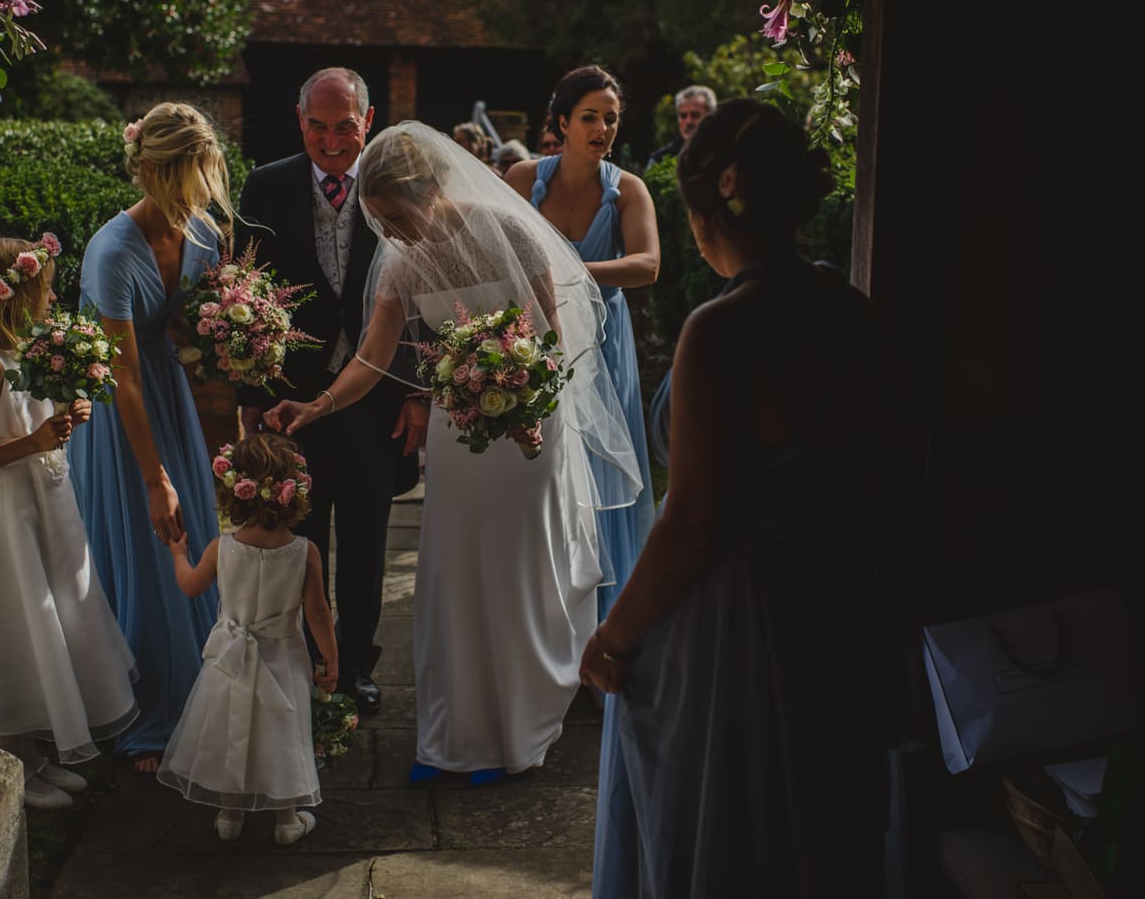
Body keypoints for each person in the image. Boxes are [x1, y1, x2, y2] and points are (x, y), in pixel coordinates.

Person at [264, 120, 643, 786]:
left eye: (398, 216)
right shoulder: (404, 259)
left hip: (528, 430)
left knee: (515, 576)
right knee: (457, 579)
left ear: (431, 190)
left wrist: (512, 380)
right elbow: (373, 357)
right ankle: (456, 733)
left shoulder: (513, 232)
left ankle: (519, 726)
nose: (393, 233)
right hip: (461, 438)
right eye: (379, 221)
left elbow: (554, 344)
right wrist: (318, 403)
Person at [581, 100, 892, 896]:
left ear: (710, 209)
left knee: (721, 819)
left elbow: (692, 522)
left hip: (733, 619)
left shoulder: (721, 328)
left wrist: (614, 637)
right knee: (817, 817)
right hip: (838, 596)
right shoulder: (851, 310)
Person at [234, 67, 424, 715]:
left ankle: (357, 667)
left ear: (366, 122)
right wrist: (249, 396)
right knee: (300, 537)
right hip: (294, 397)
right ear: (300, 121)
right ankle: (311, 664)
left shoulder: (393, 183)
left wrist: (419, 394)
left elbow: (425, 289)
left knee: (369, 535)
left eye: (345, 127)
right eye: (317, 126)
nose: (332, 141)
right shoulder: (266, 186)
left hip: (378, 396)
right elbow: (242, 295)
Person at [67, 103, 233, 772]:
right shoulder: (111, 251)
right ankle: (142, 711)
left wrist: (237, 334)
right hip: (120, 412)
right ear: (159, 170)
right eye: (195, 171)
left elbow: (187, 328)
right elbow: (123, 376)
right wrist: (154, 476)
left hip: (172, 396)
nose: (204, 185)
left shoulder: (203, 235)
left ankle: (203, 693)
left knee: (190, 537)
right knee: (143, 544)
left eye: (208, 169)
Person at [0, 234, 139, 810]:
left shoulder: (29, 352)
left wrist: (67, 410)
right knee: (19, 626)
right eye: (46, 285)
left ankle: (37, 753)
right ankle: (14, 759)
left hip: (46, 499)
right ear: (13, 292)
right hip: (6, 508)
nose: (53, 294)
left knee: (58, 614)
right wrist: (34, 441)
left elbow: (36, 421)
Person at [507, 66, 659, 620]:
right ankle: (544, 619)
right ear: (563, 122)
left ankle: (603, 620)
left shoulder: (627, 190)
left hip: (602, 344)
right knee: (545, 467)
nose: (602, 129)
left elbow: (647, 265)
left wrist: (569, 270)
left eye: (611, 118)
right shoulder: (524, 179)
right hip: (536, 339)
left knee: (599, 473)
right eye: (590, 117)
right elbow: (498, 254)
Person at [157, 433, 337, 846]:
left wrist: (178, 553)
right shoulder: (303, 551)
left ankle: (229, 816)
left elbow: (189, 586)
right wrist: (331, 659)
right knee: (281, 732)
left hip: (228, 657)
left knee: (230, 728)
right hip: (283, 657)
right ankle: (287, 821)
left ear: (236, 490)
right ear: (293, 490)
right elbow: (317, 613)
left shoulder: (223, 548)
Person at [643, 84, 717, 171]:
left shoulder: (727, 155)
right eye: (683, 116)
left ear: (711, 118)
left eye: (695, 115)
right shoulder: (658, 160)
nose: (688, 121)